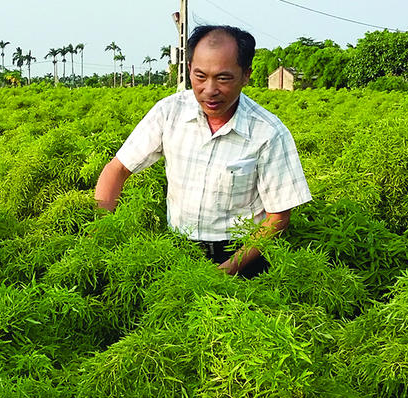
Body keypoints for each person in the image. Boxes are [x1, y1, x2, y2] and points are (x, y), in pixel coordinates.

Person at [93, 25, 311, 278]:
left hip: (242, 257)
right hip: (178, 252)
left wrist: (224, 272)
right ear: (188, 71)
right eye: (200, 76)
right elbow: (116, 170)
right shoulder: (169, 112)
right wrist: (99, 235)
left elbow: (278, 218)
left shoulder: (269, 132)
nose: (209, 90)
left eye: (223, 78)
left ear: (246, 75)